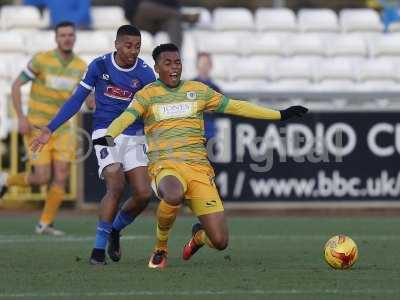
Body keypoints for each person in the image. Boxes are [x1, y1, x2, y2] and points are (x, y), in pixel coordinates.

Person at [89, 43, 308, 269]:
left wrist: (280, 115)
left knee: (220, 241)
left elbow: (237, 107)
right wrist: (110, 135)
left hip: (199, 170)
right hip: (165, 166)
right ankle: (160, 249)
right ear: (156, 68)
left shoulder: (198, 90)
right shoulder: (147, 95)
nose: (174, 68)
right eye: (167, 63)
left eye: (177, 62)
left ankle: (198, 237)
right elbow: (126, 117)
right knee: (173, 194)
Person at [30, 25, 156, 265]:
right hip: (106, 133)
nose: (133, 51)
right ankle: (97, 251)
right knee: (115, 183)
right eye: (128, 46)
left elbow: (154, 108)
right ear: (117, 45)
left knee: (143, 194)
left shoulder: (146, 73)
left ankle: (115, 230)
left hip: (133, 135)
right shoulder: (100, 65)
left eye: (137, 47)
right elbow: (77, 99)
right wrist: (50, 128)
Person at [0, 21, 87, 235]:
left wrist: (93, 100)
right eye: (63, 35)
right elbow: (16, 85)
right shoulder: (41, 59)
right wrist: (21, 117)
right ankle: (5, 180)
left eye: (70, 35)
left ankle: (45, 223)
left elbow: (85, 94)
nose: (67, 38)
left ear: (74, 38)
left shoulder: (81, 66)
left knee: (62, 174)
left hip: (63, 129)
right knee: (40, 177)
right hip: (37, 128)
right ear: (56, 38)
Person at [123, 0, 199, 50]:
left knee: (174, 21)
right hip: (142, 22)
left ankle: (175, 56)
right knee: (145, 6)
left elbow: (175, 6)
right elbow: (129, 10)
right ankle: (184, 17)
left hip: (162, 21)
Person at [193, 52, 221, 141]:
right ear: (197, 66)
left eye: (206, 64)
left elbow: (220, 109)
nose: (204, 67)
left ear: (211, 66)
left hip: (210, 134)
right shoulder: (189, 86)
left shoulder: (216, 88)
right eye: (202, 64)